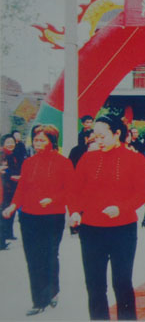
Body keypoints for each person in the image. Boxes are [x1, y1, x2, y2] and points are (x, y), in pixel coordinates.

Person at [69, 114, 145, 320]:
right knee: (94, 284)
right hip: (91, 230)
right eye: (95, 137)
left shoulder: (135, 159)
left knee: (122, 282)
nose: (99, 141)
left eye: (103, 136)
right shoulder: (87, 159)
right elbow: (75, 190)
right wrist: (75, 211)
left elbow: (142, 192)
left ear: (117, 134)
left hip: (123, 230)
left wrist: (122, 208)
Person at [2, 125, 75, 316]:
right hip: (28, 217)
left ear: (52, 141)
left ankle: (53, 290)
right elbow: (21, 189)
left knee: (49, 255)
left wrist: (53, 199)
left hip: (52, 217)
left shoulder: (63, 163)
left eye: (42, 140)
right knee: (33, 258)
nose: (38, 143)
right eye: (35, 140)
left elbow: (69, 190)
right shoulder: (28, 163)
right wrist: (13, 206)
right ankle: (38, 300)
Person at [1, 133, 24, 245]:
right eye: (8, 142)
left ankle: (7, 234)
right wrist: (12, 176)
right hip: (4, 188)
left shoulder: (13, 154)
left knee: (10, 211)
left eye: (12, 142)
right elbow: (5, 171)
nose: (10, 144)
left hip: (11, 187)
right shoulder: (2, 155)